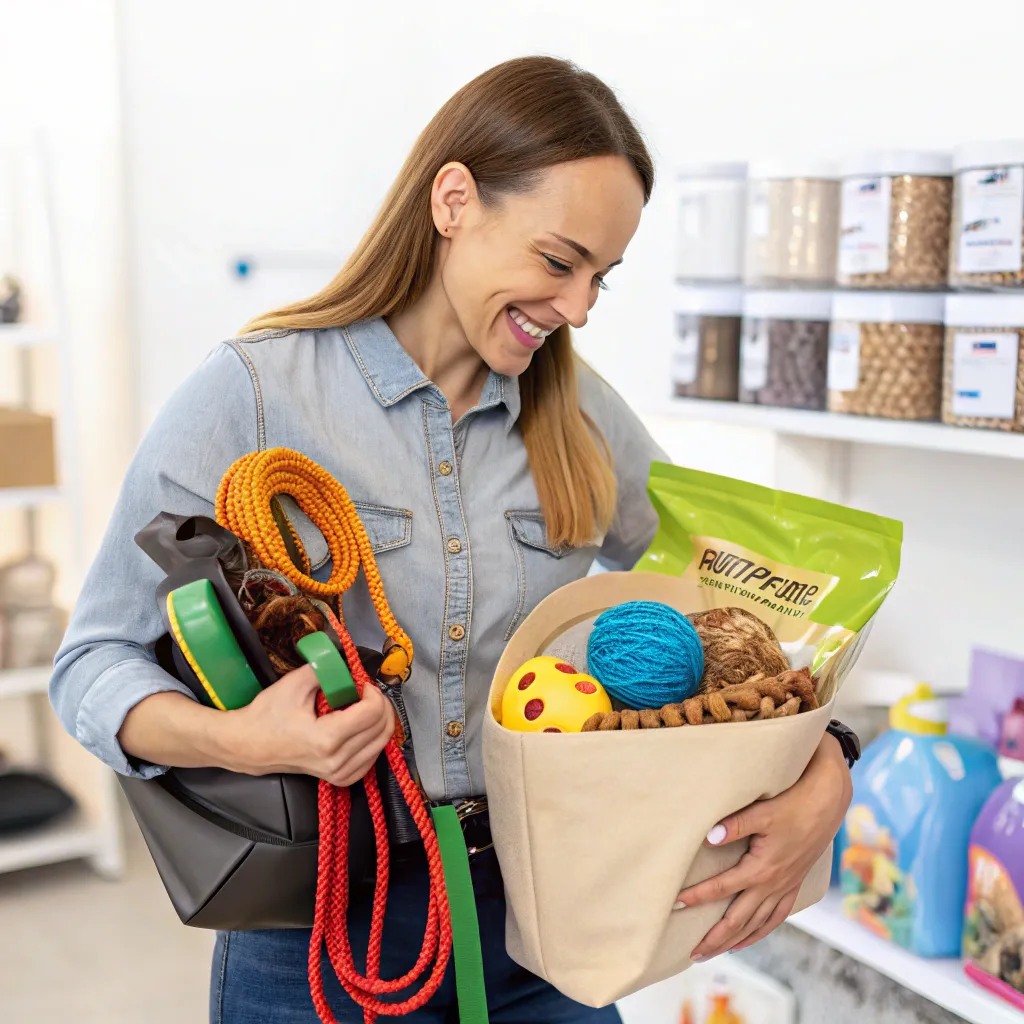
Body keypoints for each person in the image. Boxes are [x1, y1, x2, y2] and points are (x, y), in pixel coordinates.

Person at [50, 56, 853, 1023]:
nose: (579, 308)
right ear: (454, 200)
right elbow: (91, 664)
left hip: (550, 912)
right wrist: (241, 741)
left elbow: (756, 615)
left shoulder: (584, 419)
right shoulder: (257, 393)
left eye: (602, 276)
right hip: (323, 931)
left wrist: (828, 765)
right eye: (560, 262)